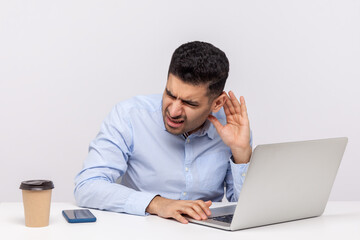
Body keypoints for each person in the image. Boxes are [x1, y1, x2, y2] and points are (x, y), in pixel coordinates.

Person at [74, 41, 252, 224]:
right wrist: (157, 204)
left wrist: (241, 153)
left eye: (189, 103)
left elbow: (247, 211)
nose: (173, 111)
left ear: (217, 103)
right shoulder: (130, 116)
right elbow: (87, 186)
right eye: (170, 94)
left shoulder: (231, 128)